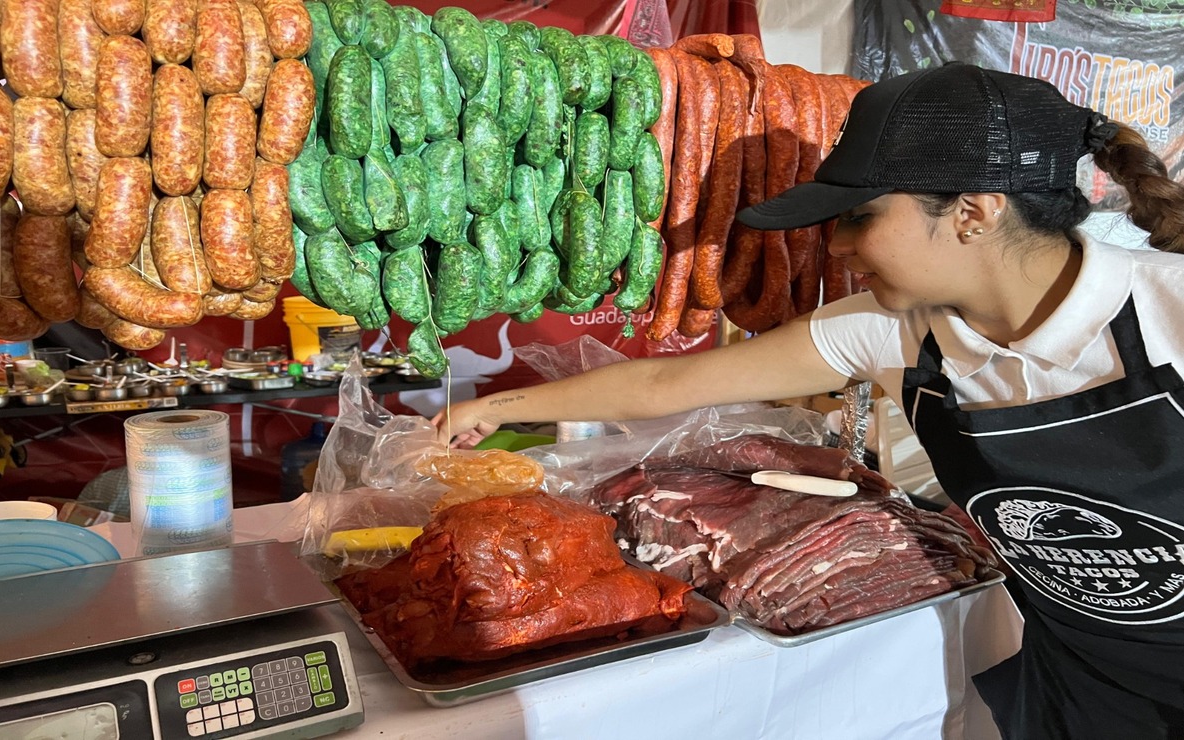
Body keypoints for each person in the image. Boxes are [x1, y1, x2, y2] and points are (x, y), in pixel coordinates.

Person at [434, 61, 1184, 738]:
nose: (836, 246)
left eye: (859, 217)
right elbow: (667, 384)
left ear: (972, 211)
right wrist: (493, 410)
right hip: (1083, 683)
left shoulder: (1168, 311)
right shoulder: (894, 332)